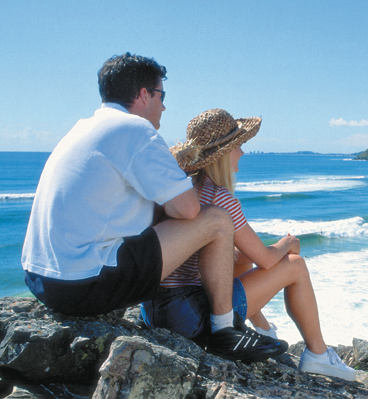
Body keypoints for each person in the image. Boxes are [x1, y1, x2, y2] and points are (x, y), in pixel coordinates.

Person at [21, 54, 286, 363]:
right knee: (216, 220)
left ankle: (237, 324)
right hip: (82, 285)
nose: (163, 106)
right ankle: (224, 331)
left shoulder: (84, 127)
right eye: (161, 96)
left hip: (41, 279)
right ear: (144, 94)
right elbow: (188, 210)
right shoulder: (135, 130)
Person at [141, 108, 356, 381]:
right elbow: (266, 259)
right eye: (239, 145)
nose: (242, 152)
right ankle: (318, 355)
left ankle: (263, 327)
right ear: (223, 154)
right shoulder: (220, 199)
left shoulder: (182, 193)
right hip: (188, 317)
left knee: (240, 256)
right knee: (296, 266)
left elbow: (244, 256)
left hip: (155, 311)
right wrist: (287, 243)